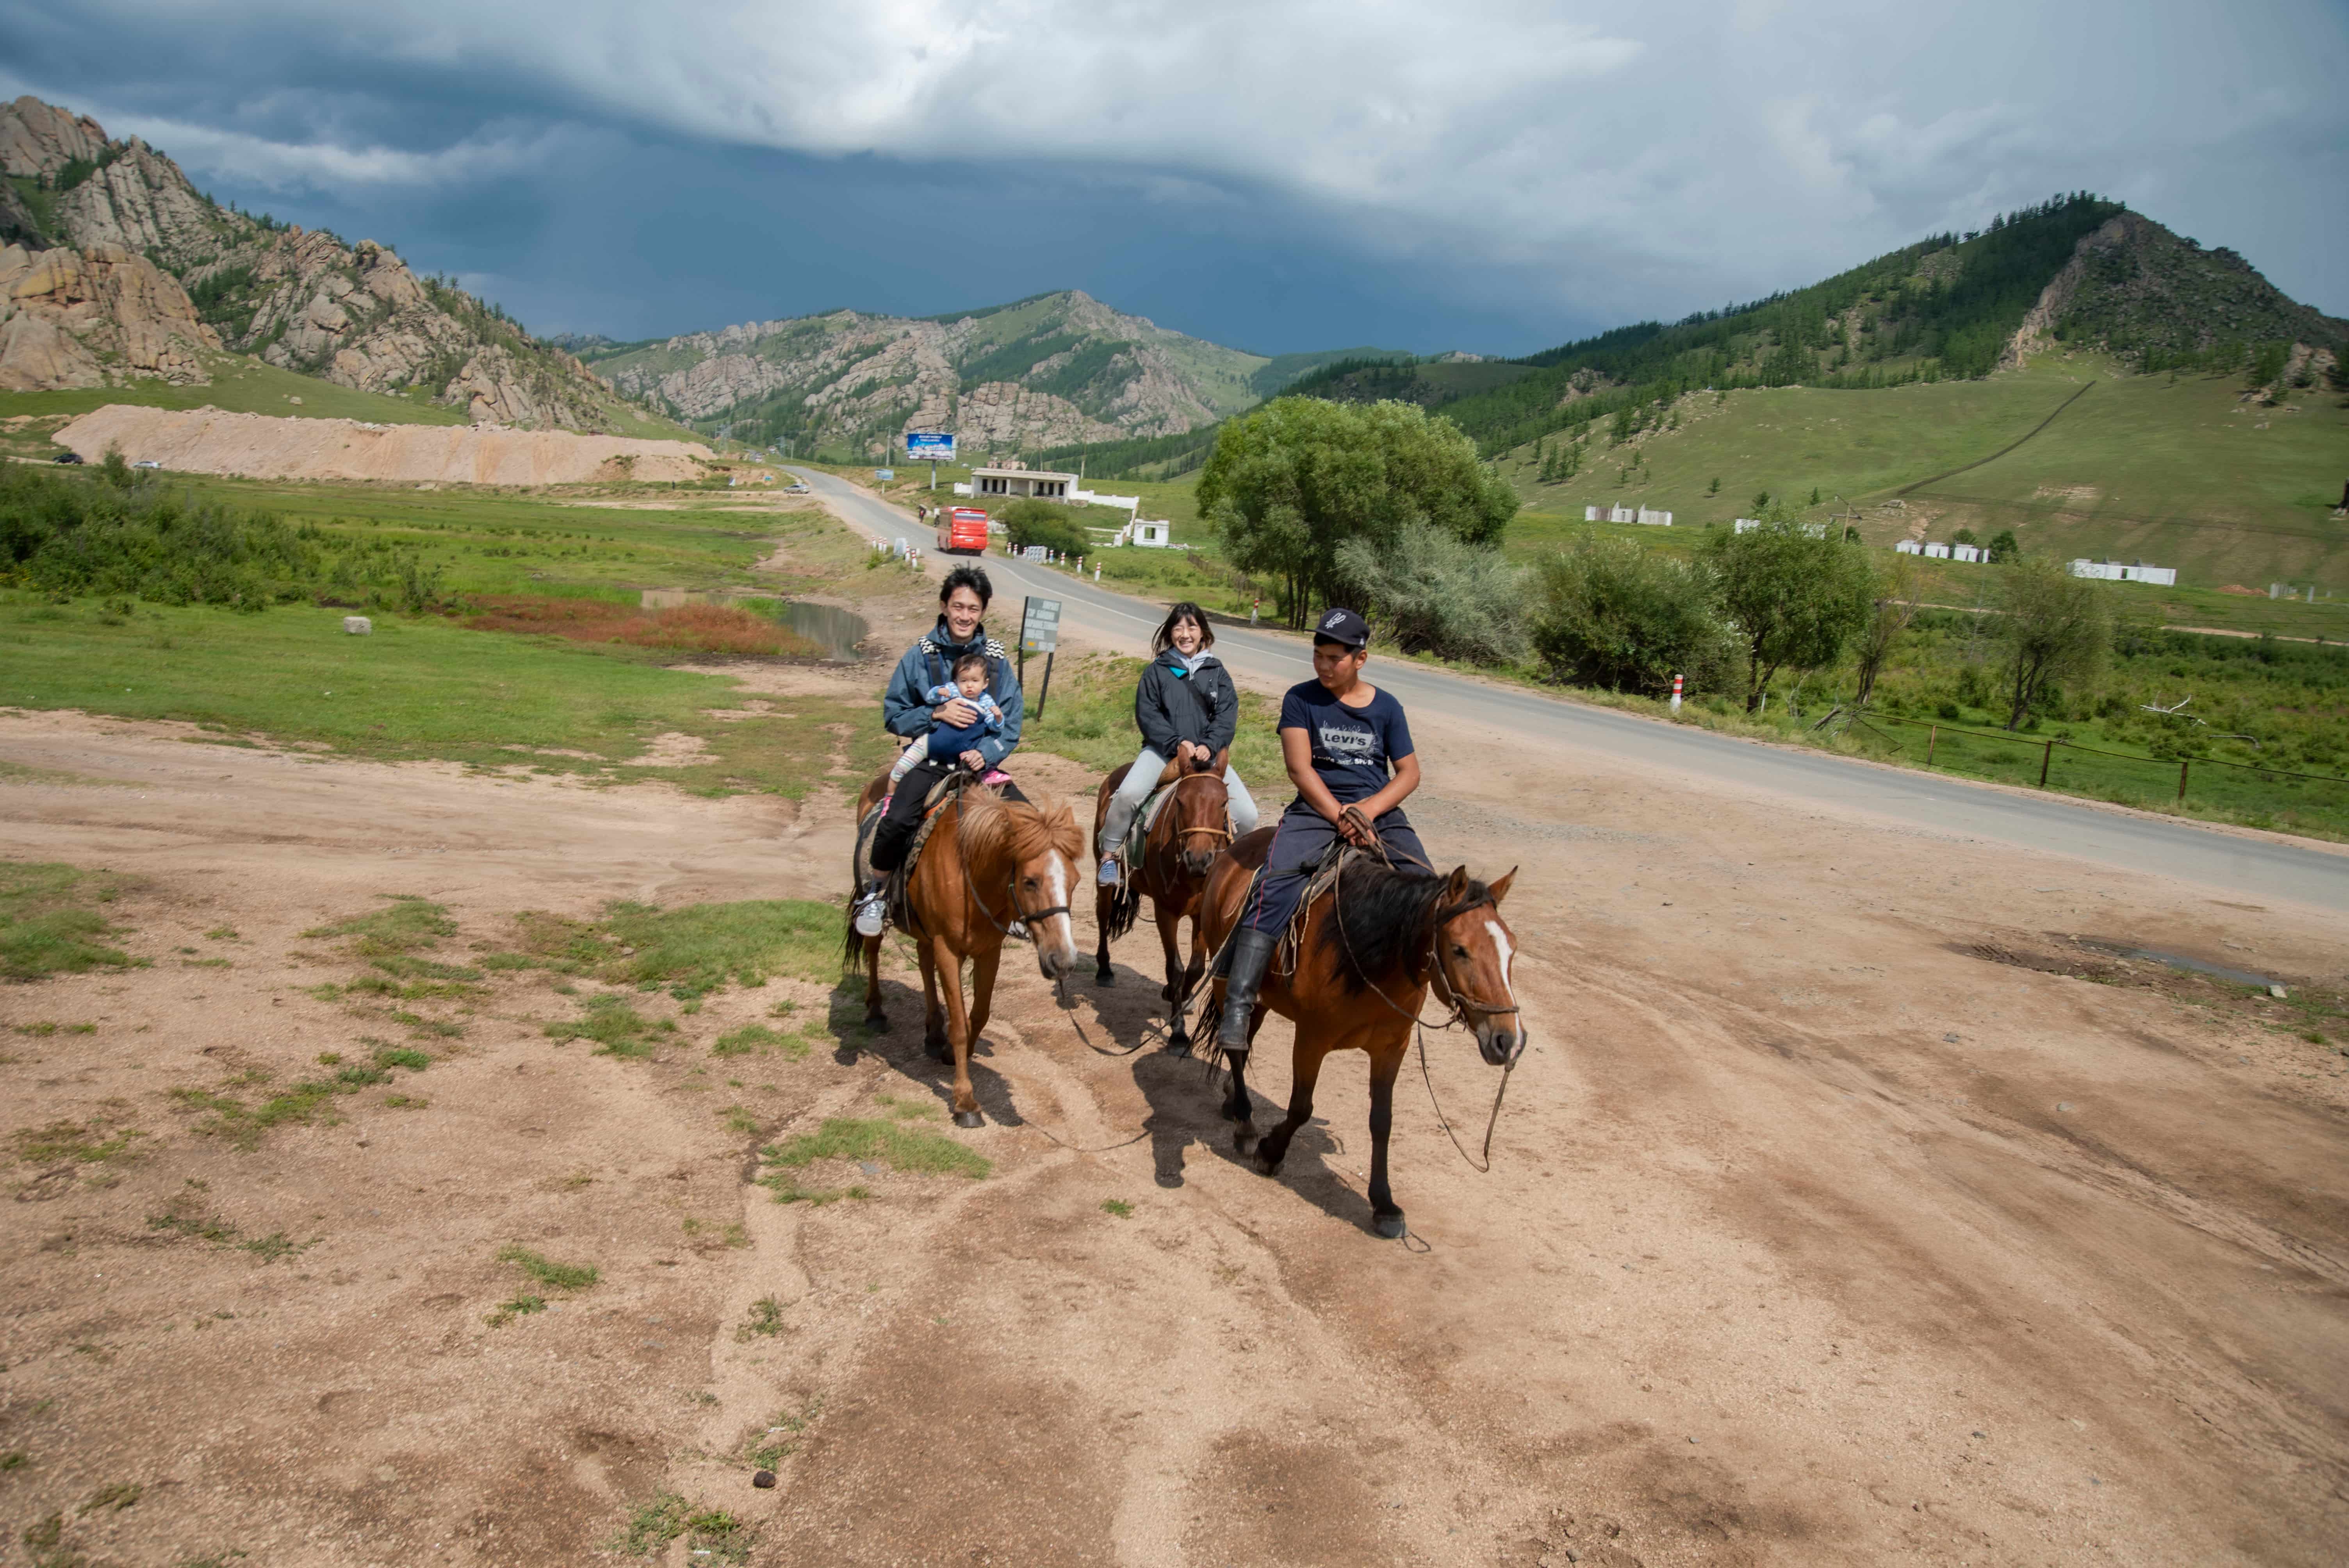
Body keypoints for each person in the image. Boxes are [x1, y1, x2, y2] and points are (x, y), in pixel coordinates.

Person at [1216, 607, 1427, 1057]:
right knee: (1272, 885)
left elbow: (1408, 773)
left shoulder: (1387, 707)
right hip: (1316, 810)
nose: (1324, 666)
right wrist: (1339, 816)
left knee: (1428, 889)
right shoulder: (1301, 699)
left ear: (1361, 659)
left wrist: (1367, 811)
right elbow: (1299, 767)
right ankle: (1238, 1002)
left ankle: (1429, 987)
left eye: (1335, 658)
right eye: (1319, 656)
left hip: (1378, 811)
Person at [854, 565, 1027, 937]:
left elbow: (1010, 722)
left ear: (983, 612)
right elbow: (893, 714)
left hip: (981, 767)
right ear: (945, 606)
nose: (965, 616)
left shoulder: (997, 661)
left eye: (974, 609)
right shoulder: (920, 656)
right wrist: (934, 712)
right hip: (930, 761)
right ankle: (877, 894)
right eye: (958, 606)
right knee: (897, 821)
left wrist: (986, 753)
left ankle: (1016, 906)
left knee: (1028, 821)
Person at [1096, 600, 1260, 886]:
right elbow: (1148, 714)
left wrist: (1210, 744)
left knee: (1248, 816)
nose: (1185, 634)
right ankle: (1109, 857)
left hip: (1208, 757)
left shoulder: (1218, 672)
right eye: (1178, 628)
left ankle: (1227, 871)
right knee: (1128, 794)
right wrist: (1177, 744)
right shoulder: (1156, 671)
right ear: (1170, 633)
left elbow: (1227, 716)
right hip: (1163, 753)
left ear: (1203, 633)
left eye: (1192, 627)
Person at [887, 651, 1004, 789]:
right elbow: (931, 698)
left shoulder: (987, 701)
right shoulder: (953, 690)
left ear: (985, 684)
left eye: (975, 681)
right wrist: (938, 698)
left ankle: (987, 772)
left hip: (965, 756)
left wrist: (998, 718)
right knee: (903, 788)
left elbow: (995, 727)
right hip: (930, 750)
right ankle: (889, 797)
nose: (969, 686)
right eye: (964, 681)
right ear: (956, 681)